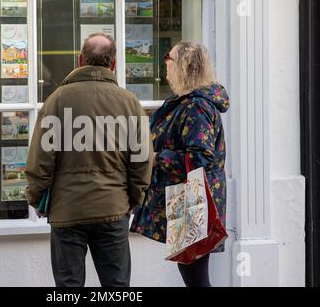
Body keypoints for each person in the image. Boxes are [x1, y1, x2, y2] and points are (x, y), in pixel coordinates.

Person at [26, 33, 153, 287]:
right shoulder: (129, 103)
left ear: (80, 60)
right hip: (113, 208)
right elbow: (142, 160)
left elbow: (40, 160)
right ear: (114, 64)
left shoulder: (57, 100)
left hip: (67, 210)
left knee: (69, 288)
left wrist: (37, 198)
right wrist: (134, 198)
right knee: (117, 287)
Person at [130, 41, 230, 287]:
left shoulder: (196, 106)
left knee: (196, 278)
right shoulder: (185, 101)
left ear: (184, 65)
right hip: (187, 199)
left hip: (193, 200)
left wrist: (155, 158)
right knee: (192, 274)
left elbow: (199, 158)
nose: (165, 62)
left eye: (169, 57)